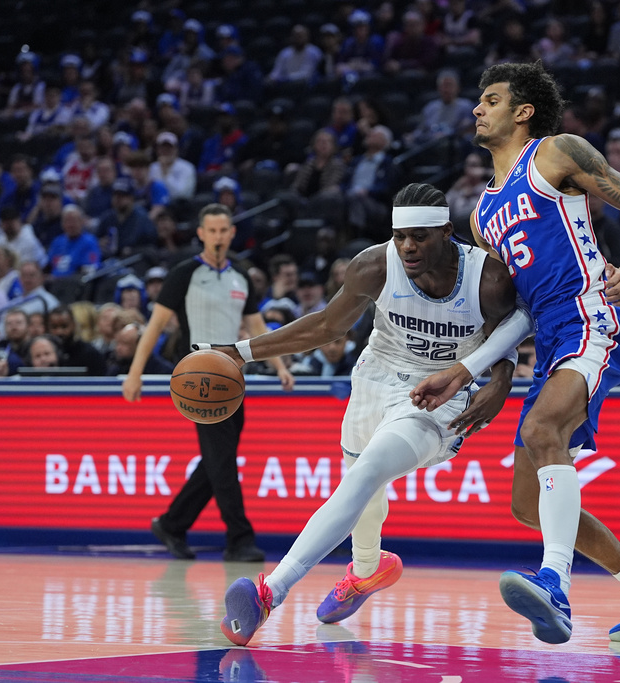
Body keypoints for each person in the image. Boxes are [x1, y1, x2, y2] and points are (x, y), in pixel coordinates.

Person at [408, 62, 620, 644]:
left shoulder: (555, 153)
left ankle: (555, 586)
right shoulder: (482, 214)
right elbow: (514, 312)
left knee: (544, 432)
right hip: (548, 339)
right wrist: (475, 370)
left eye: (489, 99)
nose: (475, 109)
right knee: (525, 503)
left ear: (522, 111)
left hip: (590, 317)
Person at [205, 183, 518, 645]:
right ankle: (367, 571)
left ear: (447, 233)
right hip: (374, 379)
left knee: (367, 471)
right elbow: (328, 325)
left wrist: (500, 382)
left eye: (420, 236)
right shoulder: (375, 264)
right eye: (400, 236)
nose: (408, 247)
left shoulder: (488, 278)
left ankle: (270, 592)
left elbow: (510, 330)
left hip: (440, 395)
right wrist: (240, 352)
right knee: (362, 488)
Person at [121, 204, 295, 563]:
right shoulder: (184, 273)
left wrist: (280, 366)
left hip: (233, 378)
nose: (218, 236)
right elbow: (154, 326)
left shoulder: (241, 277)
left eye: (223, 230)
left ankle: (172, 523)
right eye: (211, 230)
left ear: (232, 233)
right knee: (222, 459)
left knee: (219, 459)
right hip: (197, 379)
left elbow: (258, 327)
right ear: (200, 233)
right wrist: (134, 373)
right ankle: (239, 538)